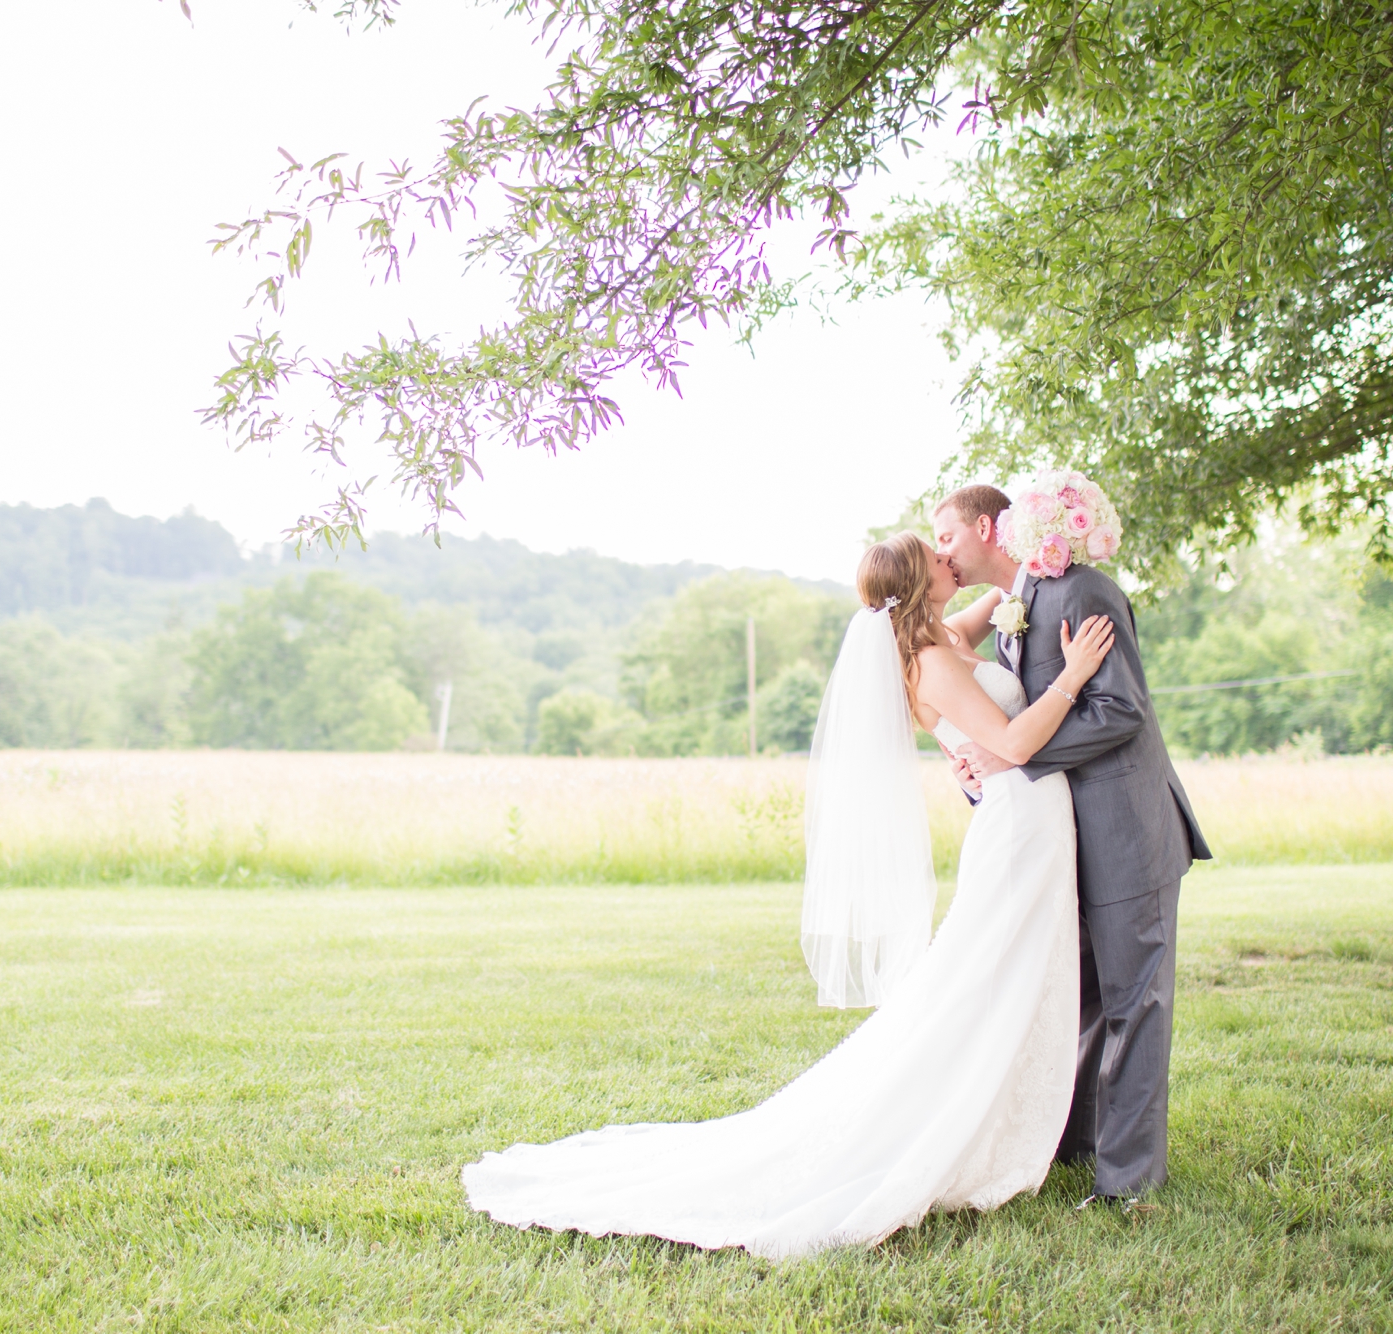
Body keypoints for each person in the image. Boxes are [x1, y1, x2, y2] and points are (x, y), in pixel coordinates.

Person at [461, 533, 1117, 1258]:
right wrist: (1074, 675)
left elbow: (991, 600)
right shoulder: (929, 663)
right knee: (988, 976)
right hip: (1018, 824)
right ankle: (966, 1123)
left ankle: (1011, 1113)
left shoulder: (942, 638)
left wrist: (1031, 557)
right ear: (917, 580)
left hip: (1030, 823)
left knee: (1013, 971)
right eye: (936, 554)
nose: (947, 558)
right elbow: (1017, 743)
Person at [933, 483, 1212, 1210]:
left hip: (1125, 830)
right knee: (1080, 997)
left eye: (948, 537)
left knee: (1134, 1003)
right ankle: (1077, 1144)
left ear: (987, 527)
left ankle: (1129, 1186)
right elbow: (1005, 720)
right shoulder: (1013, 607)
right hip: (1063, 840)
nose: (942, 553)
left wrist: (1014, 758)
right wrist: (978, 761)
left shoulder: (1085, 590)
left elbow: (1119, 709)